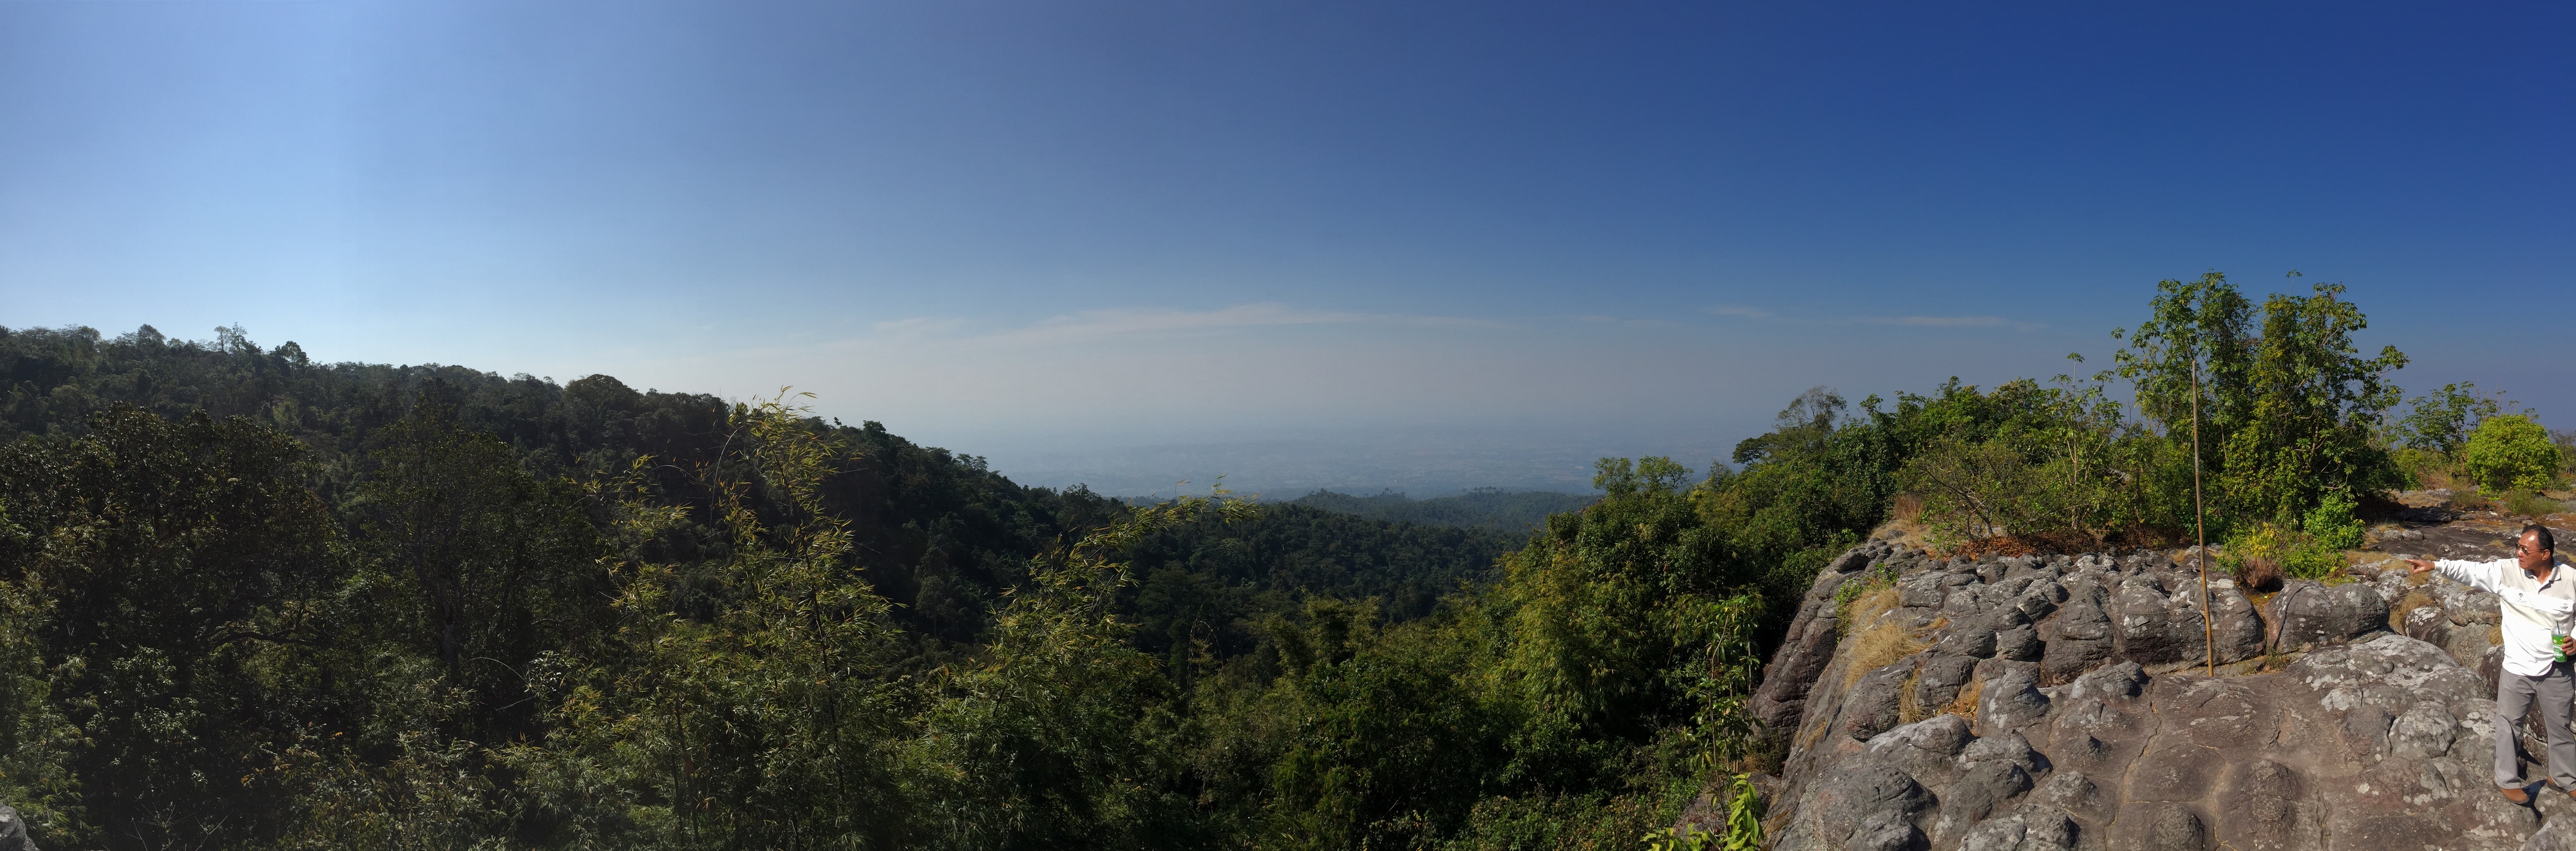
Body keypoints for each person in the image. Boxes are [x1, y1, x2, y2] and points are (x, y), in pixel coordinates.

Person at [2409, 524, 2573, 805]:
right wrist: (2434, 565)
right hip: (2517, 665)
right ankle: (2506, 780)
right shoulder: (2506, 571)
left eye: (2525, 549)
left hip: (2557, 667)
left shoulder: (2570, 579)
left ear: (2545, 554)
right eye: (2518, 547)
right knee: (2509, 725)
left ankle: (2564, 778)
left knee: (2560, 726)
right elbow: (2471, 570)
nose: (2518, 552)